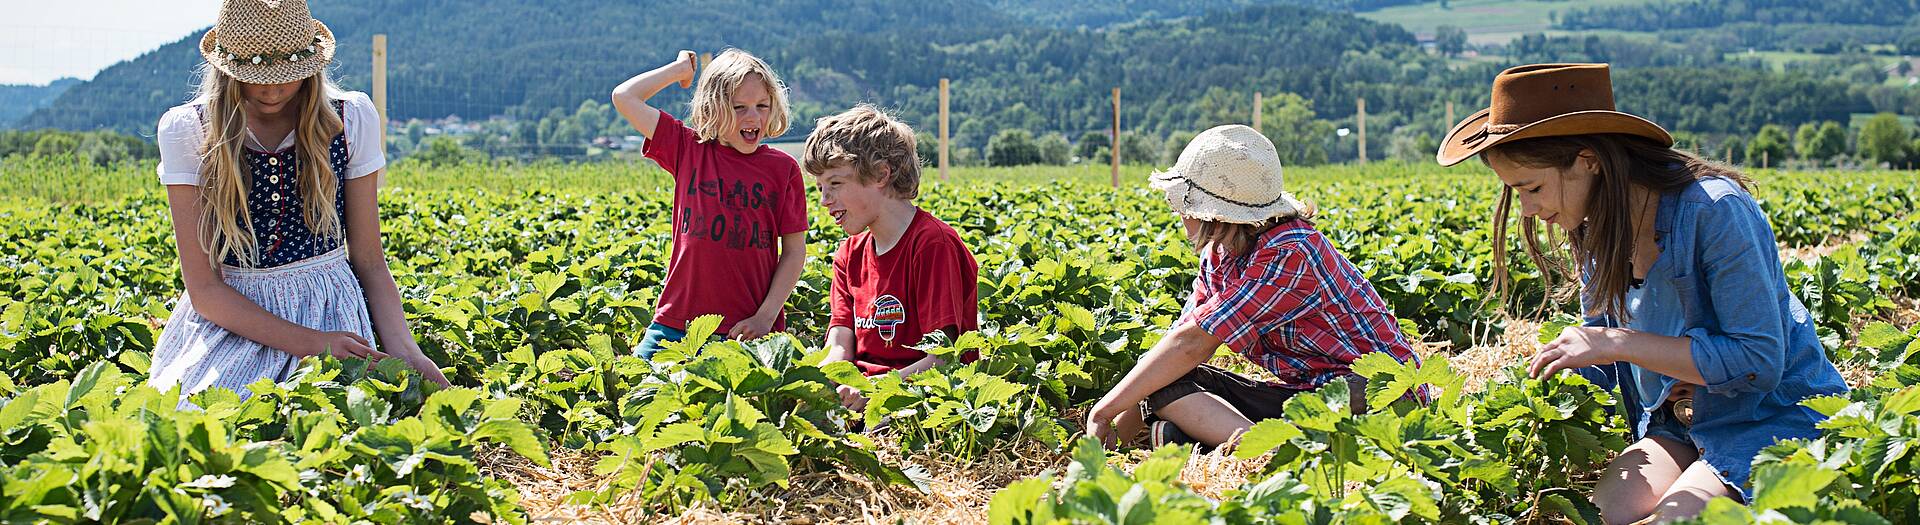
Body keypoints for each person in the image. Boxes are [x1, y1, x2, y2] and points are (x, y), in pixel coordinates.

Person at [1435, 63, 1848, 523]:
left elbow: (1757, 363)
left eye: (1531, 188)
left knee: (1666, 521)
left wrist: (1616, 344)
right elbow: (1598, 359)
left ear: (1588, 160)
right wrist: (1514, 400)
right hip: (1680, 424)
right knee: (1594, 516)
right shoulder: (1597, 229)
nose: (1528, 210)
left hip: (1770, 417)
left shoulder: (1715, 211)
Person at [149, 0, 451, 409]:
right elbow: (204, 289)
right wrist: (313, 344)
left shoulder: (349, 118)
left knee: (338, 420)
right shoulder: (192, 130)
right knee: (209, 416)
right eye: (254, 76)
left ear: (311, 67)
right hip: (235, 313)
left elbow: (369, 260)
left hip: (328, 304)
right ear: (225, 71)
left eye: (286, 76)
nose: (272, 89)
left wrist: (408, 352)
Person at [1085, 124, 1422, 450]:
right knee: (1164, 385)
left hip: (1377, 392)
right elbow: (1173, 349)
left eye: (1180, 204)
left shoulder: (1290, 251)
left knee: (1174, 404)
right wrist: (1114, 442)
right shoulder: (1219, 257)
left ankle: (1274, 451)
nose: (1177, 213)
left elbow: (1192, 344)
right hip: (1308, 394)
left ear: (1212, 214)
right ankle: (1234, 442)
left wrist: (1103, 411)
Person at [611, 49, 808, 356]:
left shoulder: (783, 170)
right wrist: (677, 71)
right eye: (739, 107)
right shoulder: (688, 149)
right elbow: (624, 97)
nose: (753, 117)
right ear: (712, 109)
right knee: (633, 391)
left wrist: (765, 317)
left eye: (762, 106)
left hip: (746, 330)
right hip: (675, 325)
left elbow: (794, 252)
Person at [803, 105, 980, 411]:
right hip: (859, 399)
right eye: (820, 188)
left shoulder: (932, 244)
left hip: (918, 404)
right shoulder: (849, 254)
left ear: (881, 174)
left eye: (835, 183)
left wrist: (875, 392)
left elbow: (943, 359)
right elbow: (838, 346)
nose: (824, 200)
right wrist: (815, 382)